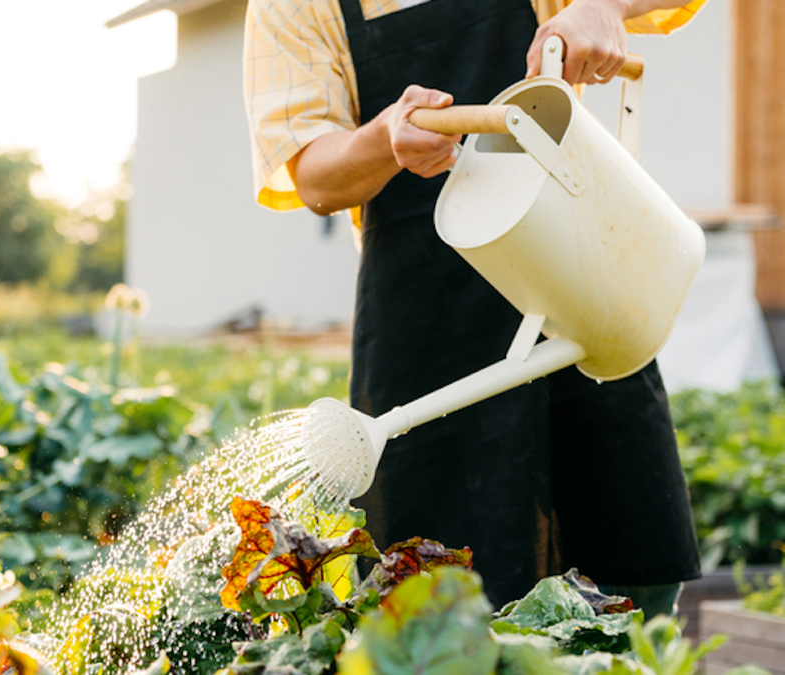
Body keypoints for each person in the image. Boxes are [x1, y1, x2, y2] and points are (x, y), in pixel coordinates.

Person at [244, 0, 706, 612]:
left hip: (581, 289)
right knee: (435, 607)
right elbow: (314, 177)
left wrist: (603, 7)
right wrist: (386, 139)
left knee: (632, 584)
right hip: (426, 329)